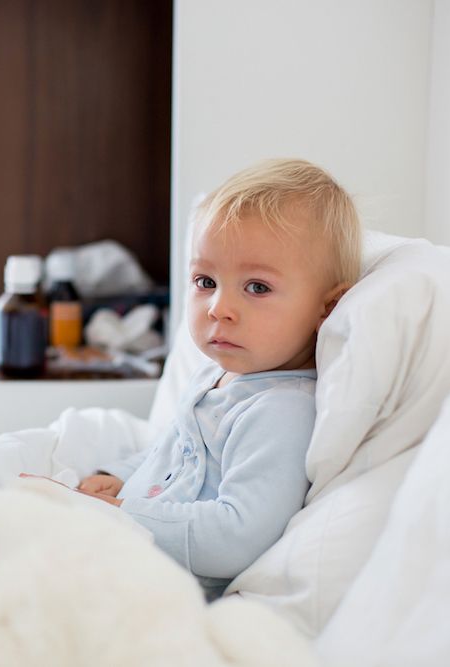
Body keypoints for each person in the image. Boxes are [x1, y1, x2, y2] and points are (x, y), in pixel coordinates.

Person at [75, 159, 361, 599]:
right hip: (128, 553)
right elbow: (172, 448)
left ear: (328, 309)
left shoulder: (282, 411)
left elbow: (236, 536)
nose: (218, 308)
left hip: (166, 588)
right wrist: (121, 475)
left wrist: (123, 512)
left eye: (257, 287)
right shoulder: (216, 375)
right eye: (206, 280)